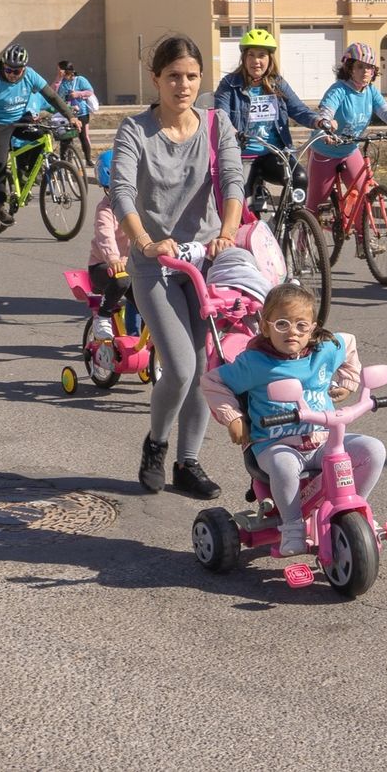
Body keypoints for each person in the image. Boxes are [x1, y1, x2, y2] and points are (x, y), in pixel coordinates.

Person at [107, 34, 243, 499]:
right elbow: (121, 190)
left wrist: (226, 232)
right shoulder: (135, 130)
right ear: (156, 80)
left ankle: (189, 463)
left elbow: (231, 181)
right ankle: (156, 445)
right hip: (154, 264)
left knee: (208, 368)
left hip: (203, 261)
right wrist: (144, 242)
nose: (182, 85)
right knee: (182, 367)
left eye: (190, 77)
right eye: (172, 77)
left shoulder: (215, 124)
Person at [201, 283, 378, 557]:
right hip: (275, 443)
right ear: (265, 325)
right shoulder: (255, 363)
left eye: (301, 325)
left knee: (372, 450)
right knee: (284, 465)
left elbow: (350, 345)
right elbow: (213, 382)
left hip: (322, 442)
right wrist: (233, 417)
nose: (292, 332)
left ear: (313, 327)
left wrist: (348, 380)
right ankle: (293, 526)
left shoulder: (325, 350)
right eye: (282, 324)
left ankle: (351, 513)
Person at [212, 28, 322, 217]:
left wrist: (318, 121)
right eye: (251, 55)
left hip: (274, 153)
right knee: (239, 205)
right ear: (244, 58)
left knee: (299, 178)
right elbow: (220, 117)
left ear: (269, 59)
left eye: (262, 55)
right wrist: (234, 132)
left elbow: (298, 109)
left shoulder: (277, 83)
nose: (256, 61)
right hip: (242, 155)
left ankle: (287, 225)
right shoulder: (229, 84)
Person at [0, 43, 80, 222]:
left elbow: (52, 97)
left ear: (24, 69)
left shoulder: (30, 75)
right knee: (0, 162)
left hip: (21, 119)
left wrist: (70, 116)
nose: (12, 75)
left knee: (42, 137)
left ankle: (24, 176)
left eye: (17, 71)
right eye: (8, 70)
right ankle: (0, 206)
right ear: (3, 66)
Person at [307, 42, 387, 215]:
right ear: (350, 69)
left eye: (370, 67)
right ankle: (305, 240)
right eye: (360, 66)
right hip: (325, 152)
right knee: (315, 204)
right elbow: (326, 110)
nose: (365, 71)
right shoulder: (338, 90)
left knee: (364, 196)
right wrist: (325, 129)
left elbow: (385, 110)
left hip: (349, 150)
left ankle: (363, 240)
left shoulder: (370, 91)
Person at [86, 150, 131, 341]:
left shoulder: (141, 205)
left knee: (151, 298)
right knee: (122, 280)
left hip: (133, 265)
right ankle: (103, 316)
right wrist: (113, 258)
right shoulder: (106, 209)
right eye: (111, 188)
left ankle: (141, 338)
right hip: (104, 266)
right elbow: (106, 236)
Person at [55, 60, 97, 166]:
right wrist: (58, 79)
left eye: (59, 69)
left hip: (81, 113)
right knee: (66, 138)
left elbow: (90, 91)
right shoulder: (61, 81)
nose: (58, 71)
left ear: (65, 70)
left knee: (83, 136)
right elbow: (54, 93)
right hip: (66, 113)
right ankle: (66, 162)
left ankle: (88, 159)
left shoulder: (80, 80)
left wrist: (78, 94)